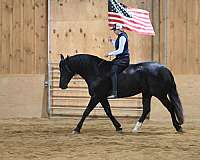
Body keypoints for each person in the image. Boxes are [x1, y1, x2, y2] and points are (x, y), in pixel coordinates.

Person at [105, 23, 130, 98]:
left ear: (118, 29)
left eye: (114, 30)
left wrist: (109, 54)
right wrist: (112, 41)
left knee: (113, 71)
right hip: (120, 58)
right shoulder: (120, 36)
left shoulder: (122, 37)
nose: (114, 32)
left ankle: (114, 92)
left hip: (123, 60)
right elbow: (117, 44)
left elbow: (120, 50)